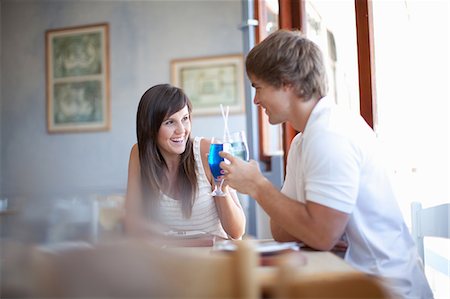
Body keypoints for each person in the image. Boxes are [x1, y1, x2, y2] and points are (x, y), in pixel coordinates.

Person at [220, 30, 432, 298]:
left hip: (382, 288)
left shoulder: (330, 133)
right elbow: (282, 230)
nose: (256, 100)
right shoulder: (303, 142)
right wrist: (307, 222)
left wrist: (258, 186)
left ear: (286, 83)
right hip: (345, 275)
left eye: (258, 87)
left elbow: (320, 235)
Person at [125, 84, 245, 240]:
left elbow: (237, 232)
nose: (181, 130)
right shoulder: (139, 154)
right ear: (150, 127)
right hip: (170, 258)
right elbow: (133, 222)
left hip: (212, 258)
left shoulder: (208, 152)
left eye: (185, 119)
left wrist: (220, 187)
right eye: (170, 122)